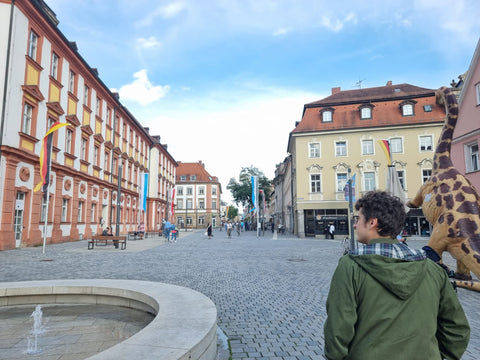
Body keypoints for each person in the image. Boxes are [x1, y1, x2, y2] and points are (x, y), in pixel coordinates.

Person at [324, 191, 470, 360]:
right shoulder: (433, 270)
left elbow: (337, 331)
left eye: (358, 219)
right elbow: (457, 329)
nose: (355, 225)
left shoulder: (350, 266)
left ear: (372, 222)